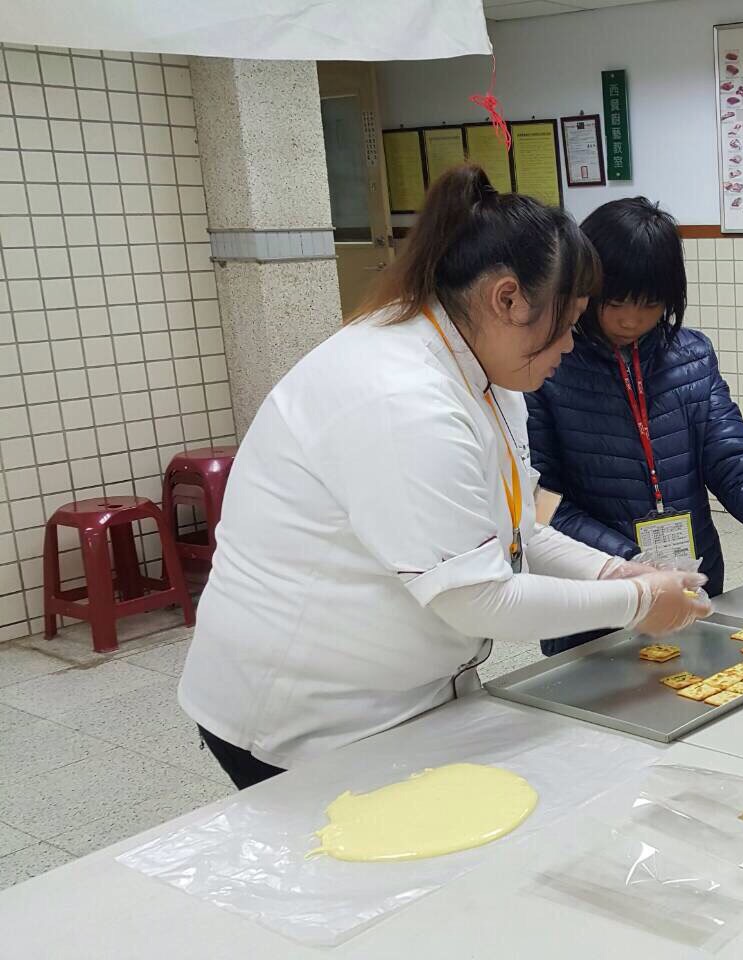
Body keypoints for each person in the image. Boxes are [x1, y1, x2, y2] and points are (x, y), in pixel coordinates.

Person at [178, 166, 712, 788]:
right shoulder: (399, 397)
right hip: (309, 714)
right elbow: (477, 596)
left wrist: (613, 571)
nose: (573, 344)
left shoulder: (489, 368)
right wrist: (639, 601)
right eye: (567, 323)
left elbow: (517, 527)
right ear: (507, 299)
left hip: (407, 694)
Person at [527, 197, 743, 656]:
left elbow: (735, 462)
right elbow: (540, 504)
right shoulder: (548, 366)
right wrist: (628, 563)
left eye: (649, 305)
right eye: (616, 302)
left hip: (693, 578)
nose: (631, 319)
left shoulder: (691, 356)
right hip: (594, 594)